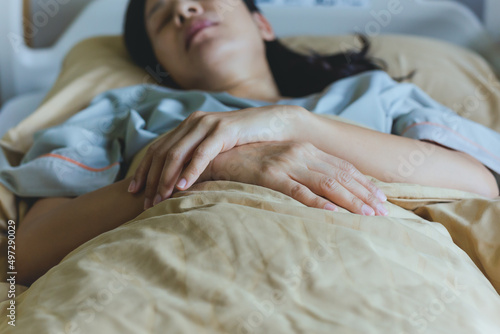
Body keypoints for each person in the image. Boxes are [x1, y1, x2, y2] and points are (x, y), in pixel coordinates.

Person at [14, 0, 499, 287]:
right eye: (161, 17)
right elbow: (21, 254)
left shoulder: (373, 95)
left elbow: (481, 185)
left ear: (262, 24)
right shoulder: (127, 115)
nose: (183, 8)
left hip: (384, 271)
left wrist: (294, 126)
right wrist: (205, 169)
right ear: (156, 63)